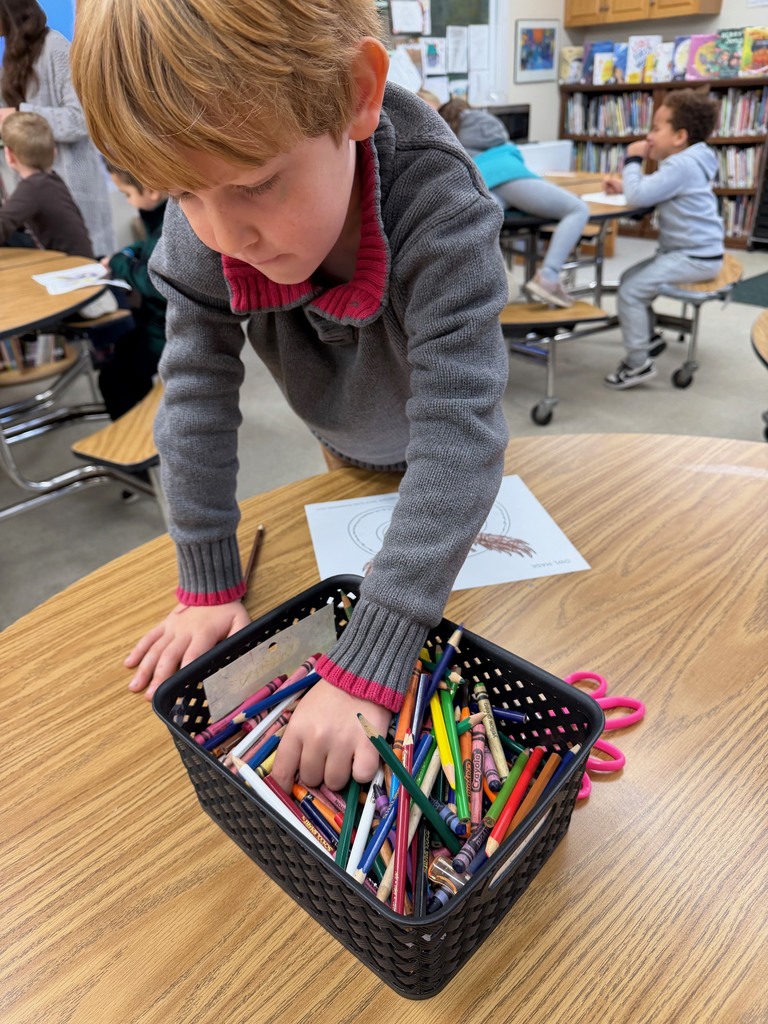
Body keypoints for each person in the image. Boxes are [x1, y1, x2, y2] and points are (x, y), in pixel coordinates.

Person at [71, 0, 510, 794]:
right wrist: (207, 581)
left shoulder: (443, 212)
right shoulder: (207, 224)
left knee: (475, 621)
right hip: (343, 443)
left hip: (441, 449)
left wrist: (370, 664)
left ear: (357, 95)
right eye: (181, 196)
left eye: (255, 185)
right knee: (350, 497)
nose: (221, 235)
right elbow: (196, 394)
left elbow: (460, 435)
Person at [603, 89, 724, 389]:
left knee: (631, 290)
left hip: (694, 257)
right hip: (695, 252)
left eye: (656, 129)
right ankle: (648, 335)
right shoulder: (693, 160)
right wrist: (627, 187)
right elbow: (654, 189)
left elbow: (641, 194)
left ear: (680, 137)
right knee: (631, 277)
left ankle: (637, 363)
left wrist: (632, 161)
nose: (649, 137)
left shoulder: (681, 164)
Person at [438, 97, 589, 309]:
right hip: (509, 174)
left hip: (479, 182)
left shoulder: (446, 132)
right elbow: (503, 137)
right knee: (577, 209)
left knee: (488, 224)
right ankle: (549, 276)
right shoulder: (478, 120)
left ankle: (498, 286)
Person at [0, 0, 114, 255]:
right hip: (36, 192)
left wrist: (19, 114)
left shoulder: (55, 47)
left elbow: (81, 119)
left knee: (86, 268)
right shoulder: (13, 56)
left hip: (72, 187)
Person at [96, 163, 168, 421]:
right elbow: (148, 249)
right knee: (122, 350)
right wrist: (129, 253)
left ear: (151, 191)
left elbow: (154, 281)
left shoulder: (166, 224)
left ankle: (134, 445)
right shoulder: (160, 216)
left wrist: (118, 263)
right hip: (155, 322)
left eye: (127, 194)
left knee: (114, 379)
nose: (128, 201)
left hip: (165, 331)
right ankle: (145, 422)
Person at [0, 110, 93, 256]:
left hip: (72, 269)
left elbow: (3, 224)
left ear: (9, 155)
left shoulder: (34, 186)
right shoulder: (50, 181)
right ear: (54, 151)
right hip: (80, 263)